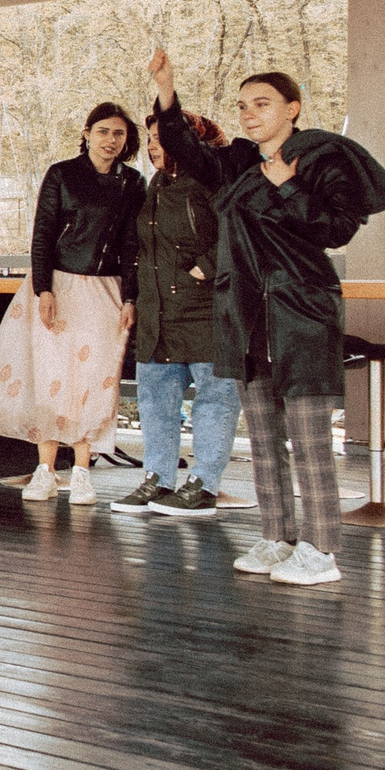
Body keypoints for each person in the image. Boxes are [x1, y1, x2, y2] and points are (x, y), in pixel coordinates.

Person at [147, 49, 385, 586]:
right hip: (245, 311)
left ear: (293, 108)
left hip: (301, 308)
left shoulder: (323, 159)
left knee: (308, 437)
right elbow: (189, 152)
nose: (249, 113)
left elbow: (335, 230)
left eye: (262, 103)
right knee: (261, 437)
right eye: (242, 106)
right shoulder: (238, 161)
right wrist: (167, 92)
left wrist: (286, 183)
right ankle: (278, 536)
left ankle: (322, 549)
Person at [0, 103, 143, 505]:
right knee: (49, 377)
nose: (111, 140)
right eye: (103, 132)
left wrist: (130, 295)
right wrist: (44, 289)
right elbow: (42, 234)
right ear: (87, 132)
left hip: (105, 290)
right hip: (58, 286)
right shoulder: (62, 174)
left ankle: (81, 471)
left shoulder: (133, 182)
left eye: (119, 134)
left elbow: (133, 245)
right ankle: (45, 470)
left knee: (96, 380)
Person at [110, 107, 241, 518]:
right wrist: (132, 298)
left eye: (161, 140)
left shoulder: (213, 179)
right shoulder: (155, 186)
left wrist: (206, 266)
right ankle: (158, 478)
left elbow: (238, 231)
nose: (152, 149)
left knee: (215, 399)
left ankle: (204, 484)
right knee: (154, 400)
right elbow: (138, 250)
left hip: (204, 309)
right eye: (149, 141)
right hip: (158, 312)